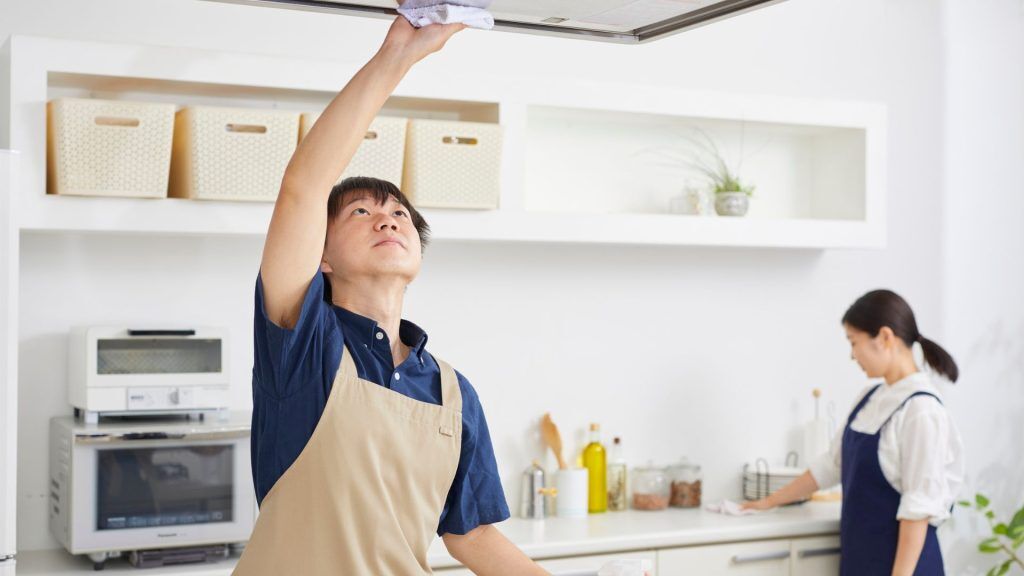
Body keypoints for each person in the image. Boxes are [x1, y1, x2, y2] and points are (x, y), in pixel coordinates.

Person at [232, 17, 547, 575]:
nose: (388, 221)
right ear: (320, 258)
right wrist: (399, 54)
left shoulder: (451, 394)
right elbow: (303, 185)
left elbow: (471, 534)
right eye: (362, 212)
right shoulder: (302, 345)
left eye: (399, 214)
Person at [743, 289, 965, 575]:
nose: (852, 355)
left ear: (885, 337)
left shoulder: (921, 410)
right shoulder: (870, 398)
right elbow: (830, 466)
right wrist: (768, 502)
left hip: (903, 568)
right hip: (861, 562)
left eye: (854, 342)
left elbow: (918, 509)